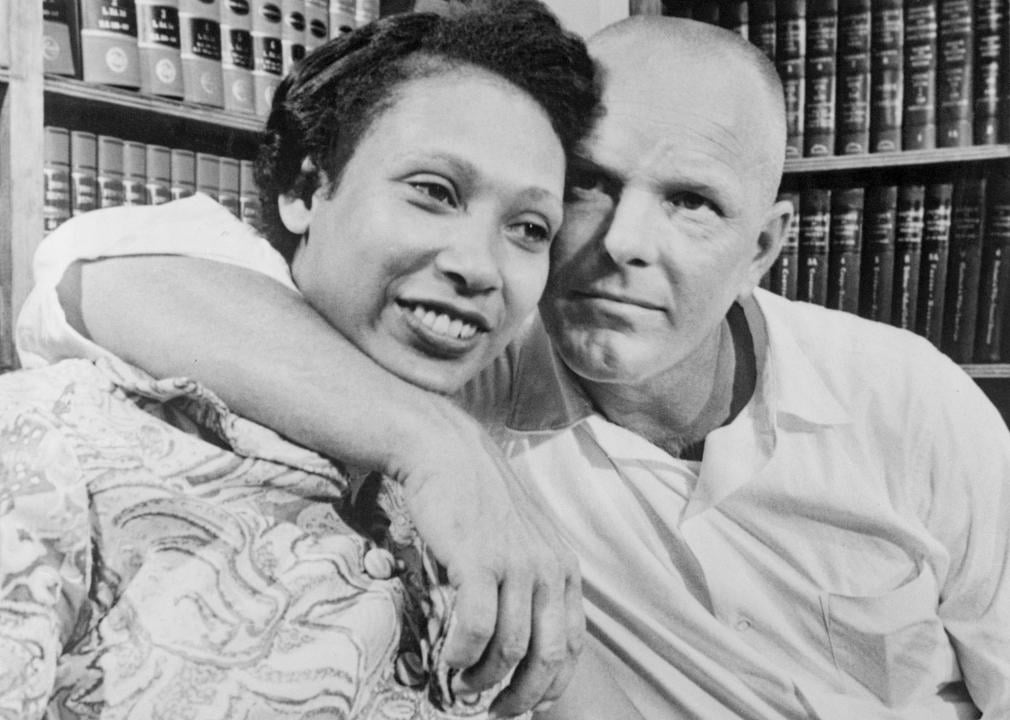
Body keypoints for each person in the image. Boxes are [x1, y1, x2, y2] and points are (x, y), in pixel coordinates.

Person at [16, 13, 1010, 720]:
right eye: (584, 193)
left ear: (761, 249)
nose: (624, 242)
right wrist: (439, 444)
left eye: (691, 202)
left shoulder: (910, 399)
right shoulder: (461, 363)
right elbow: (97, 265)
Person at [0, 3, 623, 718]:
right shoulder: (57, 444)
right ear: (304, 190)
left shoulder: (483, 516)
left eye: (529, 228)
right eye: (433, 192)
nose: (481, 267)